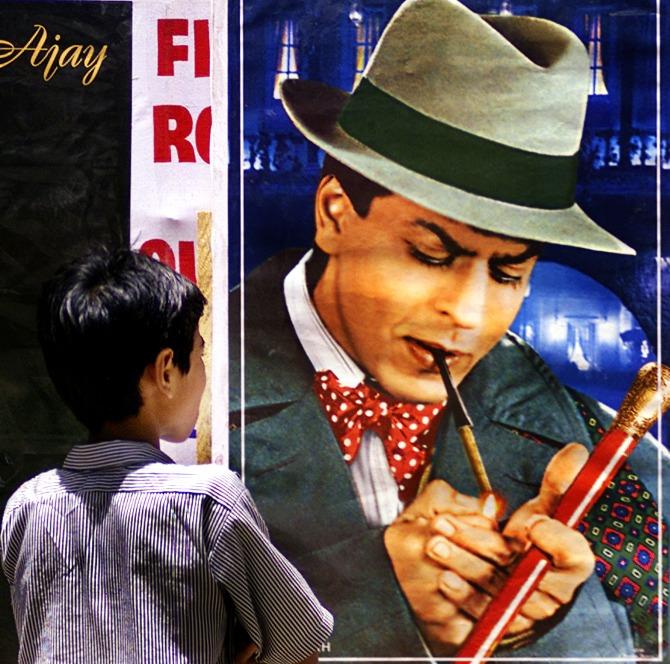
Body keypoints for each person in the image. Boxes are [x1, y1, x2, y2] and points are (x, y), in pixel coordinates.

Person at [229, 0, 667, 660]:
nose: (467, 312)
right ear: (333, 214)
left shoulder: (625, 477)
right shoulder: (165, 407)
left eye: (509, 271)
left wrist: (537, 629)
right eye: (432, 255)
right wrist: (383, 613)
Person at [1, 248, 333, 664]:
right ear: (166, 371)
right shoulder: (209, 501)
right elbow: (299, 644)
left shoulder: (27, 508)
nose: (204, 371)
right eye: (199, 354)